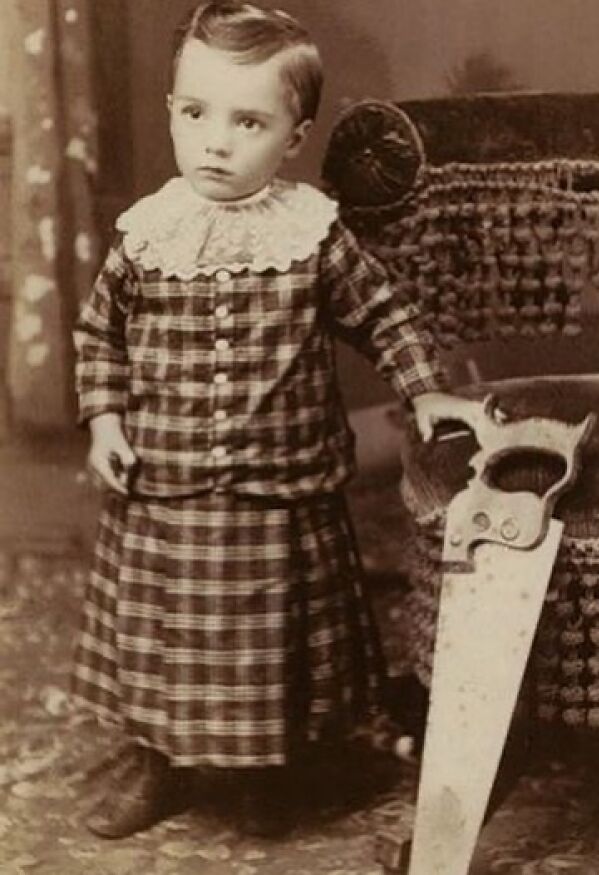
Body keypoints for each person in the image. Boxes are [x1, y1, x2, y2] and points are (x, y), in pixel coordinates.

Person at [72, 0, 481, 841]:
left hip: (278, 487)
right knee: (163, 636)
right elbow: (98, 335)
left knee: (273, 639)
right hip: (168, 488)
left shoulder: (311, 236)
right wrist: (107, 420)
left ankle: (269, 773)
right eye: (196, 114)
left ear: (293, 137)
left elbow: (384, 315)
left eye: (247, 121)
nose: (215, 142)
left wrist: (424, 388)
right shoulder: (148, 235)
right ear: (172, 113)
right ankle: (160, 761)